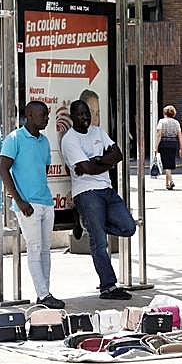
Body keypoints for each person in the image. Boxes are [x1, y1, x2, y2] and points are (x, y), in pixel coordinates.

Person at [61, 100, 135, 300]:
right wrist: (102, 162)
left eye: (87, 113)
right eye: (80, 114)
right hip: (86, 192)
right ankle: (108, 286)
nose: (85, 117)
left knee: (129, 227)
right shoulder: (69, 139)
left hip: (106, 189)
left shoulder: (98, 131)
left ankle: (88, 222)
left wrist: (97, 162)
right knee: (99, 241)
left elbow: (118, 154)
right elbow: (87, 169)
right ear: (72, 117)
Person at [0, 101, 65, 309]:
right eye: (42, 115)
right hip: (27, 206)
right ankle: (44, 294)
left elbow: (43, 170)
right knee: (35, 249)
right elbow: (3, 170)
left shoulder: (44, 141)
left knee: (46, 250)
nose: (46, 118)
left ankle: (44, 293)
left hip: (46, 202)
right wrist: (19, 201)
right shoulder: (14, 139)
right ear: (29, 114)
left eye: (47, 114)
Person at [154, 105, 182, 190]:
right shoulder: (176, 122)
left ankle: (171, 181)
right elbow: (180, 136)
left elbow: (159, 134)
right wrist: (181, 148)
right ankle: (167, 184)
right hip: (173, 143)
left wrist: (156, 146)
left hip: (164, 143)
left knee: (166, 164)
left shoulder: (162, 121)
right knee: (170, 163)